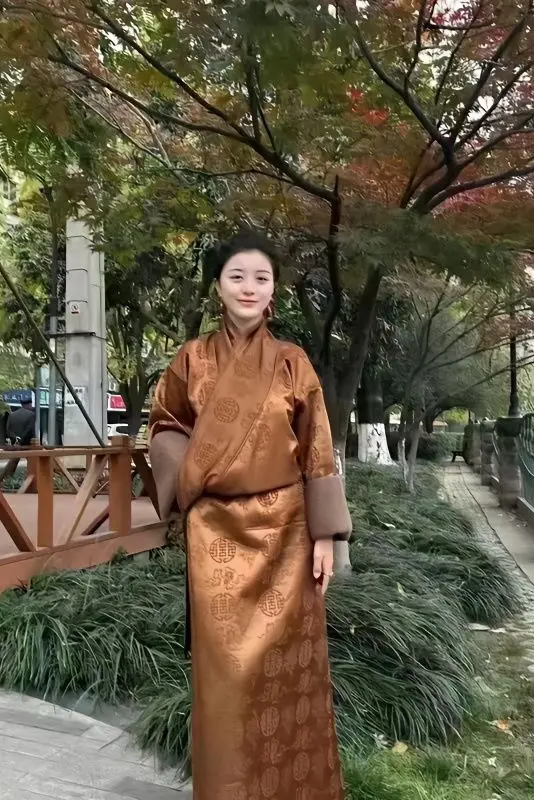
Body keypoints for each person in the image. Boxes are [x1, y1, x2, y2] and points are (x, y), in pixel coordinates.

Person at [149, 231, 351, 800]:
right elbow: (165, 426)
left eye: (261, 278)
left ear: (273, 292)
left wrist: (325, 536)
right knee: (226, 685)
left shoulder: (292, 362)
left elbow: (317, 447)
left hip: (287, 532)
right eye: (237, 276)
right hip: (215, 534)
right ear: (219, 285)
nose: (249, 287)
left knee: (286, 680)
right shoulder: (191, 358)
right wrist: (193, 481)